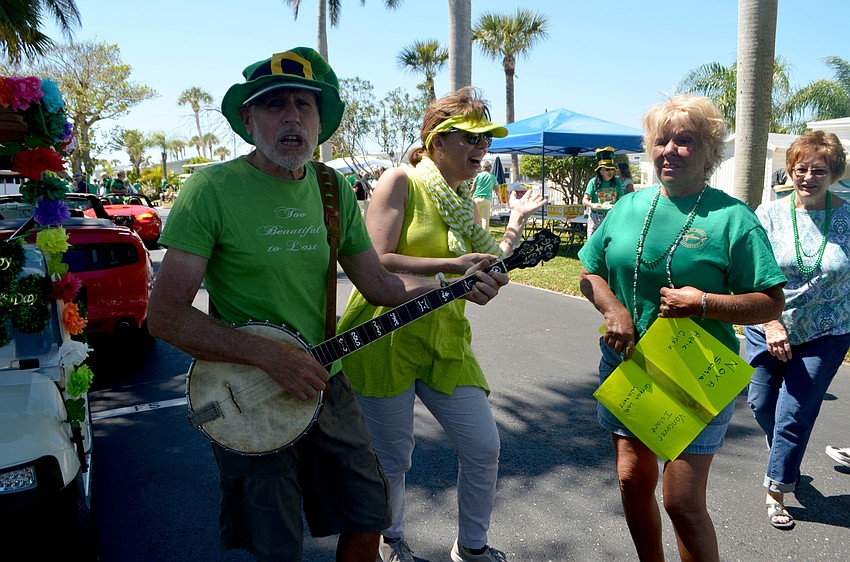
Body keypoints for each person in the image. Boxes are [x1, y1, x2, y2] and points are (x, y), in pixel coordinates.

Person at [146, 48, 509, 562]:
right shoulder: (210, 190)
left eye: (305, 104)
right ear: (248, 118)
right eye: (274, 105)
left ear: (320, 121)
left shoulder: (332, 189)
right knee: (277, 543)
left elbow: (381, 285)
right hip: (249, 389)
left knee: (369, 513)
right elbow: (165, 316)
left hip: (327, 379)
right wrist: (269, 357)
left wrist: (453, 286)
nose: (292, 116)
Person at [336, 86, 545, 562]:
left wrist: (496, 256)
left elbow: (487, 259)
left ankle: (471, 547)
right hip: (384, 335)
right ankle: (392, 542)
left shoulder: (468, 207)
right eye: (471, 138)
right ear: (436, 141)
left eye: (486, 140)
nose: (481, 149)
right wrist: (450, 269)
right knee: (392, 460)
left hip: (445, 337)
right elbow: (376, 260)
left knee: (482, 445)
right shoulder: (400, 182)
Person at [577, 94, 786, 561]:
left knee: (682, 503)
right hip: (627, 365)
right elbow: (589, 271)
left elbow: (771, 301)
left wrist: (705, 302)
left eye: (684, 141)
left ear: (709, 151)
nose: (669, 150)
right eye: (661, 140)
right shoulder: (628, 206)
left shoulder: (732, 219)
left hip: (695, 368)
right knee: (633, 481)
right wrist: (614, 311)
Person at [743, 130, 850, 530]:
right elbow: (750, 275)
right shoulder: (767, 214)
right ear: (790, 170)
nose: (808, 176)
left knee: (793, 414)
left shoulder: (849, 217)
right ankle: (782, 453)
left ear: (834, 173)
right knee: (760, 402)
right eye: (800, 168)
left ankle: (777, 490)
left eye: (818, 169)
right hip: (767, 326)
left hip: (827, 331)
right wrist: (771, 323)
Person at [582, 147, 624, 238]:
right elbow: (585, 199)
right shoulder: (593, 182)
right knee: (592, 242)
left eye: (612, 169)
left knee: (610, 242)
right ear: (601, 171)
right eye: (607, 169)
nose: (610, 172)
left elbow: (621, 199)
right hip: (595, 216)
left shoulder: (616, 182)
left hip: (611, 216)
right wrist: (592, 205)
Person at [471, 159, 498, 229]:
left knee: (476, 218)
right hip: (486, 199)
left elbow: (472, 189)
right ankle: (485, 236)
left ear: (483, 168)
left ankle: (476, 233)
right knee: (485, 219)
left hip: (476, 198)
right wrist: (500, 199)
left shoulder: (478, 175)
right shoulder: (492, 177)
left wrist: (468, 196)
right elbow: (497, 190)